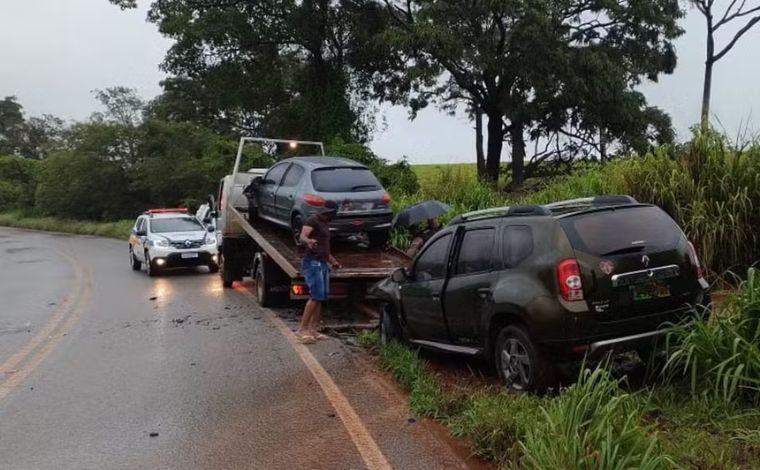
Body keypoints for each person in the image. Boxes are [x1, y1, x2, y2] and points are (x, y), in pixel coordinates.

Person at [296, 201, 342, 343]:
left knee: (321, 296)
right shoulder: (313, 219)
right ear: (329, 211)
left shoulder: (325, 224)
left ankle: (313, 329)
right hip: (312, 262)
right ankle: (302, 329)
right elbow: (302, 236)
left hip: (322, 262)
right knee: (315, 295)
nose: (336, 215)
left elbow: (324, 248)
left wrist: (333, 261)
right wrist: (308, 241)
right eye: (335, 212)